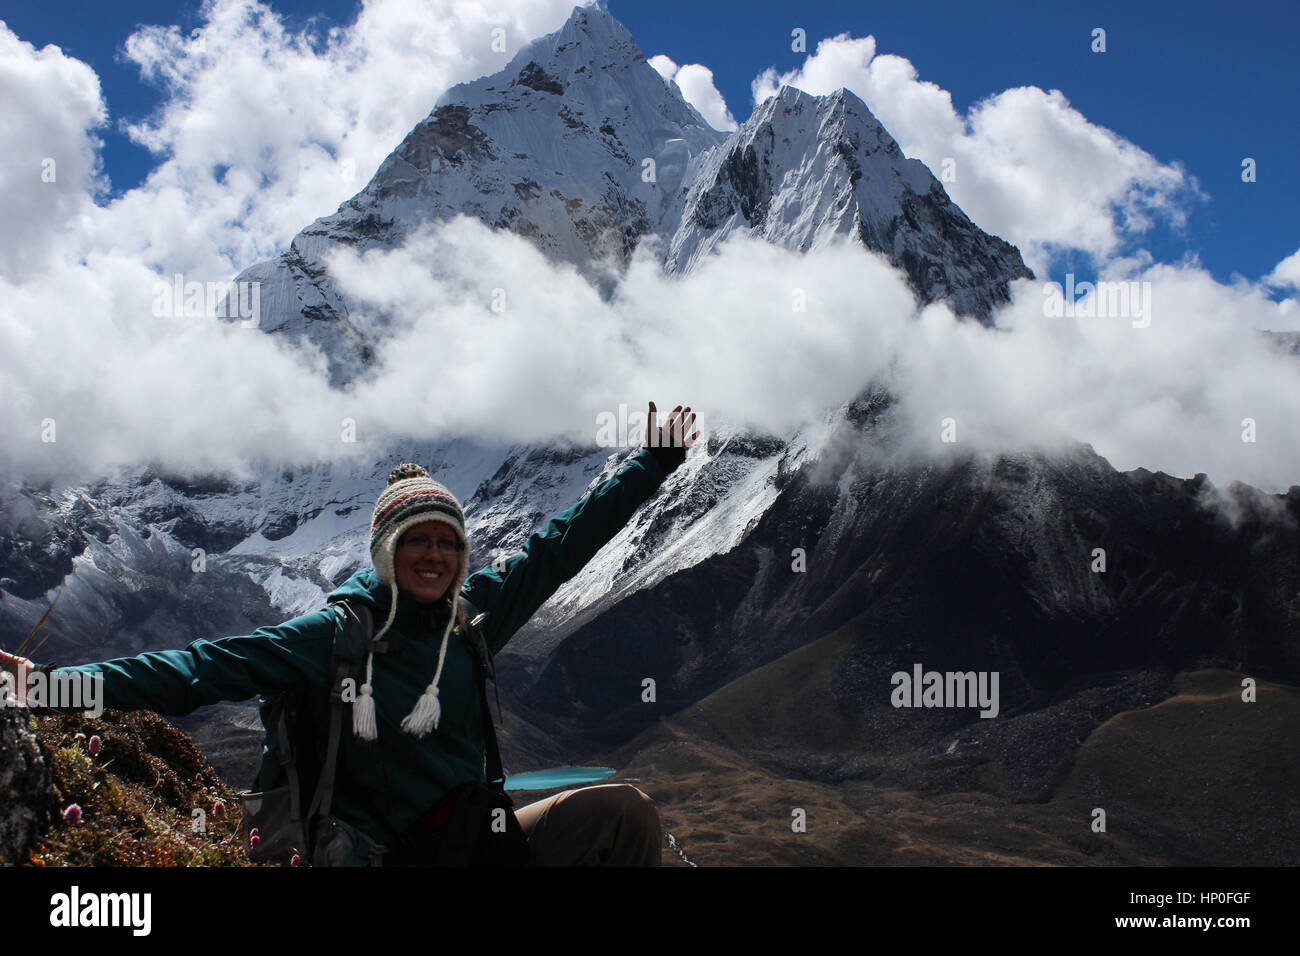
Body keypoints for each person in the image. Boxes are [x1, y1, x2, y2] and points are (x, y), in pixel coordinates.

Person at [0, 402, 698, 866]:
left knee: (625, 817)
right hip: (379, 854)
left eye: (446, 543)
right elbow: (198, 669)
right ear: (384, 553)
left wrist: (651, 463)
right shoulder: (336, 634)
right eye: (414, 541)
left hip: (473, 839)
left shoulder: (474, 612)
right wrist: (51, 688)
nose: (433, 556)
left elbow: (560, 545)